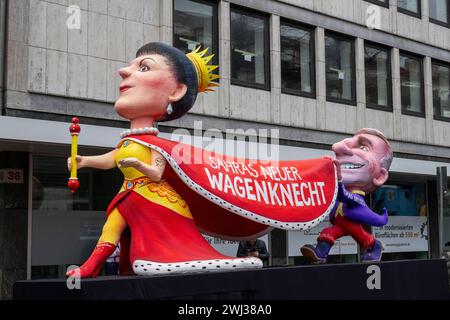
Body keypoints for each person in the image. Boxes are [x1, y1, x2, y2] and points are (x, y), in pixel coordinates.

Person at [301, 128, 393, 263]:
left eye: (364, 148)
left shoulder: (356, 198)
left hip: (350, 223)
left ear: (380, 175)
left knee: (362, 237)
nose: (338, 148)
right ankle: (320, 253)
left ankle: (374, 245)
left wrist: (338, 177)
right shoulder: (337, 192)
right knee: (328, 232)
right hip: (340, 223)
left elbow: (343, 195)